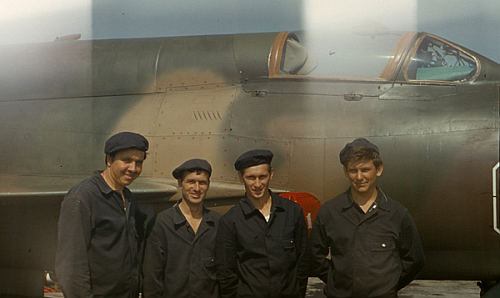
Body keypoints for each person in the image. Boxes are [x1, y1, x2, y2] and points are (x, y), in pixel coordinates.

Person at [309, 138, 425, 298]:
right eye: (353, 170)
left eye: (365, 170)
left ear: (378, 169)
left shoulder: (397, 214)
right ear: (345, 172)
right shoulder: (330, 212)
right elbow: (314, 257)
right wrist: (337, 281)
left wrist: (389, 285)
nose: (359, 177)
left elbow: (415, 260)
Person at [55, 131, 148, 298]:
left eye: (138, 162)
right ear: (109, 160)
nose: (133, 169)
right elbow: (70, 267)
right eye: (126, 160)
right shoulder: (83, 196)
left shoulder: (128, 197)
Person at [216, 149, 309, 298]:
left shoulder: (292, 212)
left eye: (262, 177)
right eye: (251, 178)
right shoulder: (230, 221)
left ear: (271, 174)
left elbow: (303, 261)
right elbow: (226, 272)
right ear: (240, 177)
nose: (257, 184)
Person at [142, 158, 220, 298]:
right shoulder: (161, 224)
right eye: (190, 182)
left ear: (208, 186)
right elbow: (152, 277)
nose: (196, 188)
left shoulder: (218, 223)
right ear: (180, 184)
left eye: (202, 183)